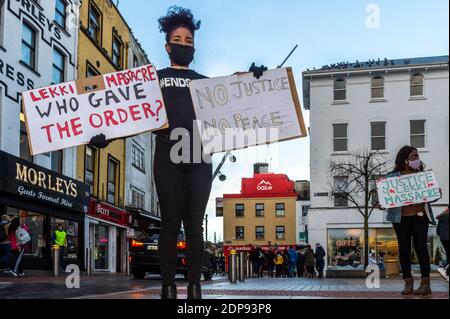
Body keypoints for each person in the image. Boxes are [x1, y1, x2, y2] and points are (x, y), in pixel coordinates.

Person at [88, 6, 266, 299]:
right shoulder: (153, 80)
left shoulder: (204, 82)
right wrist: (106, 135)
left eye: (189, 41)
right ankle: (168, 288)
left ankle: (194, 289)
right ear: (167, 45)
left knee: (194, 226)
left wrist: (255, 78)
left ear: (194, 47)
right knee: (170, 224)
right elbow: (129, 113)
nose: (184, 44)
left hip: (199, 155)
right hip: (168, 153)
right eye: (178, 39)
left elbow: (233, 90)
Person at [386, 146, 440, 296]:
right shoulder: (392, 177)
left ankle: (425, 283)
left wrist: (436, 193)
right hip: (400, 218)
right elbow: (386, 197)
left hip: (420, 216)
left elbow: (430, 196)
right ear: (405, 159)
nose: (417, 159)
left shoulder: (423, 176)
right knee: (404, 250)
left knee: (421, 248)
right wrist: (382, 201)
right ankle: (408, 282)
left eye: (417, 156)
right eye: (414, 156)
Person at [436, 207, 449, 276]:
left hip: (443, 237)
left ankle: (447, 270)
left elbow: (438, 230)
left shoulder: (441, 216)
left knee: (448, 253)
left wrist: (441, 234)